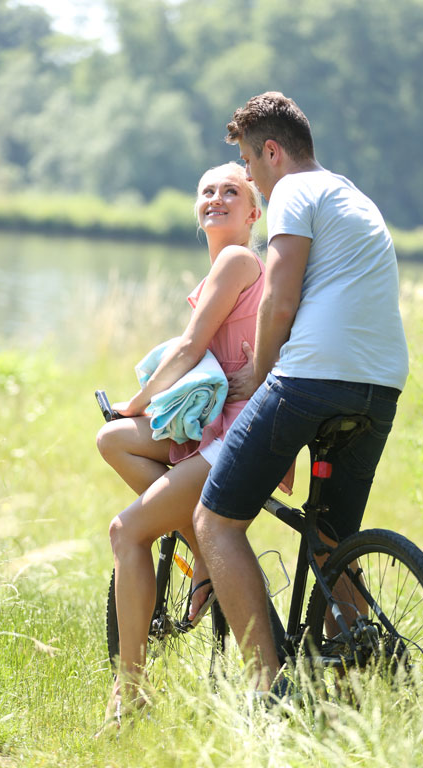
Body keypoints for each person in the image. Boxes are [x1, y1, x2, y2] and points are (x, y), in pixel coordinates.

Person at [193, 92, 409, 695]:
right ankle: (358, 675)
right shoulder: (352, 195)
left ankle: (268, 691)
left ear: (271, 151)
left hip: (312, 378)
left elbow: (278, 299)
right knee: (330, 541)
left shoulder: (292, 190)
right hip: (382, 386)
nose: (252, 181)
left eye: (249, 163)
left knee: (213, 522)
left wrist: (259, 380)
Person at [95, 161, 264, 728]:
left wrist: (137, 401)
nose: (215, 199)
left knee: (126, 531)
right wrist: (132, 416)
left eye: (231, 192)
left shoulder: (239, 259)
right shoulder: (225, 265)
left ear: (253, 213)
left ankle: (130, 691)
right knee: (113, 439)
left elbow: (192, 347)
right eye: (207, 191)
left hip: (236, 433)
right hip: (212, 424)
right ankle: (199, 539)